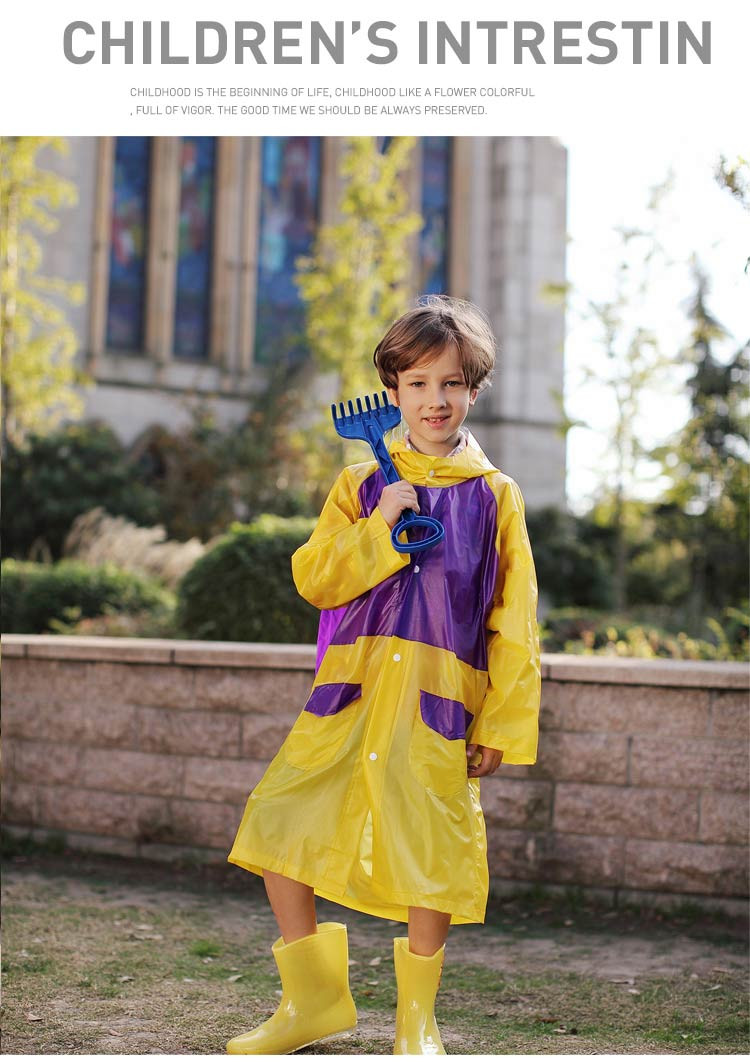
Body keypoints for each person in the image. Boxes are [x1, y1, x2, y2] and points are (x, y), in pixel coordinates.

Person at [226, 295, 542, 1055]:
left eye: (453, 383)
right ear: (392, 390)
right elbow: (315, 577)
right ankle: (314, 1003)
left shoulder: (493, 496)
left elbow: (515, 623)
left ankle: (416, 1024)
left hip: (437, 708)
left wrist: (498, 725)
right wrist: (380, 528)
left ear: (474, 390)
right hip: (352, 697)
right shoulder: (358, 484)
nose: (436, 399)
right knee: (277, 826)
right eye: (419, 383)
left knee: (431, 858)